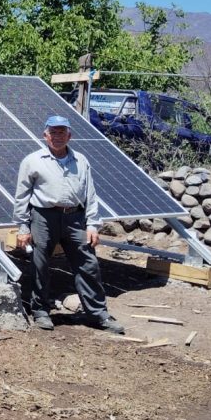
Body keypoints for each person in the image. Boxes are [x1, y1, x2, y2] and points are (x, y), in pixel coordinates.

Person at [13, 115, 125, 334]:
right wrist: (23, 226)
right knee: (40, 263)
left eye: (62, 132)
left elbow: (90, 194)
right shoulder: (33, 160)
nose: (57, 136)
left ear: (69, 135)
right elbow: (22, 195)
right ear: (45, 135)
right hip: (44, 216)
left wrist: (93, 224)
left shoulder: (81, 161)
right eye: (53, 132)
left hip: (75, 217)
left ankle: (98, 314)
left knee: (88, 264)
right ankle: (40, 311)